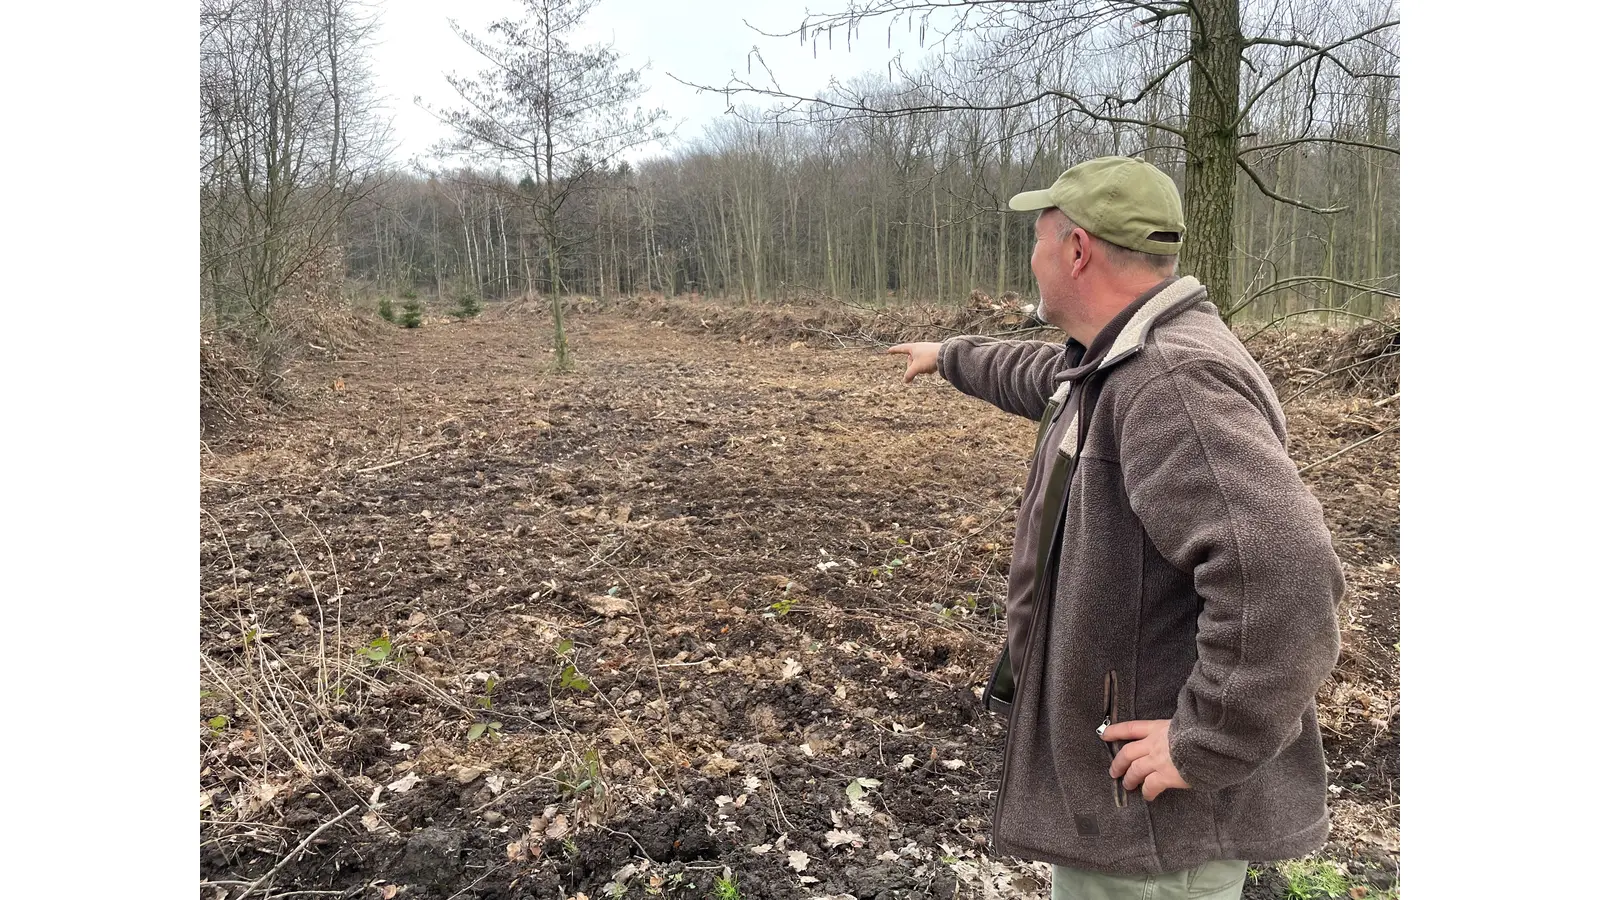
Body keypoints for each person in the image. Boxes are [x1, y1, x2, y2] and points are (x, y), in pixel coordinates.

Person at [888, 156, 1344, 900]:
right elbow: (1043, 377)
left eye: (1037, 240)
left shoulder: (1169, 381)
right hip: (1133, 817)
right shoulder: (1119, 364)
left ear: (1076, 250)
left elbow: (1287, 573)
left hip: (1155, 829)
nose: (1030, 259)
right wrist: (950, 359)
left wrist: (1205, 740)